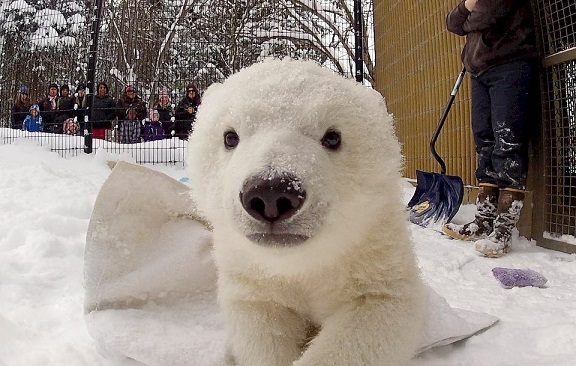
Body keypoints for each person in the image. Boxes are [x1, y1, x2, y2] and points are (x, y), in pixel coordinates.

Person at [443, 0, 540, 258]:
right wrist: (467, 5)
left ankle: (504, 230)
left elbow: (485, 16)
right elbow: (453, 23)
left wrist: (469, 16)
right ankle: (483, 220)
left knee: (507, 142)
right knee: (484, 142)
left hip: (510, 64)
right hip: (481, 71)